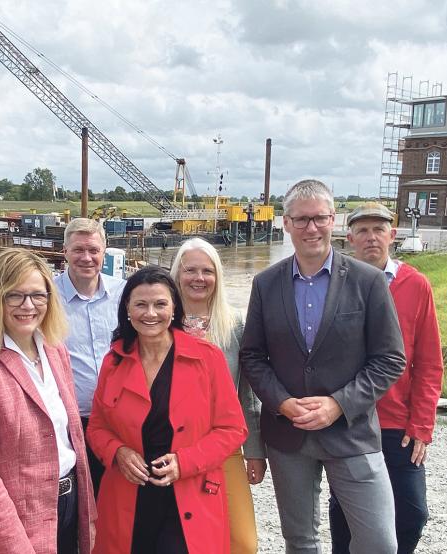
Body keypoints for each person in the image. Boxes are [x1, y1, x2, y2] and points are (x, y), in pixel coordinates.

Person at [240, 179, 406, 554]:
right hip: (288, 434)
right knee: (301, 541)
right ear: (286, 223)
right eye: (301, 220)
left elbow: (390, 358)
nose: (310, 228)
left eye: (319, 218)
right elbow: (253, 356)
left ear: (334, 219)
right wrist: (282, 402)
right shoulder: (266, 284)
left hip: (352, 431)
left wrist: (339, 404)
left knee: (379, 542)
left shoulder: (368, 281)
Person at [87, 266, 248, 554]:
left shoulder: (207, 358)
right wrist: (117, 452)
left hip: (190, 491)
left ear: (174, 308)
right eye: (141, 304)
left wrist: (184, 462)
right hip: (128, 491)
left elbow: (233, 429)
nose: (150, 313)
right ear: (127, 309)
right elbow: (97, 427)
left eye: (160, 304)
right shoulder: (113, 362)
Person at [0, 248, 95, 553]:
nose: (28, 306)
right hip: (15, 523)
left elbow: (72, 439)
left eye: (38, 296)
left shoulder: (55, 352)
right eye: (14, 296)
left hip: (67, 505)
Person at [328, 202, 444, 554]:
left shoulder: (415, 285)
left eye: (379, 230)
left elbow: (428, 361)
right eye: (362, 231)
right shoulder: (334, 284)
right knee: (346, 513)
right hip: (349, 420)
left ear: (393, 236)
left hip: (397, 422)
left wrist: (422, 423)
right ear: (349, 238)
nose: (371, 238)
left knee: (412, 512)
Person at [170, 237, 265, 554]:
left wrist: (255, 450)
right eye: (190, 270)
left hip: (223, 446)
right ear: (177, 274)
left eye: (207, 271)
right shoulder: (160, 322)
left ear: (218, 276)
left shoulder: (235, 323)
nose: (199, 278)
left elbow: (247, 394)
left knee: (242, 542)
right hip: (171, 447)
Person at [54, 217, 125, 494]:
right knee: (78, 497)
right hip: (70, 420)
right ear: (65, 253)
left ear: (103, 253)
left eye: (93, 251)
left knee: (115, 494)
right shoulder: (46, 296)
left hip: (116, 418)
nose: (87, 257)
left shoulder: (122, 293)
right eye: (78, 250)